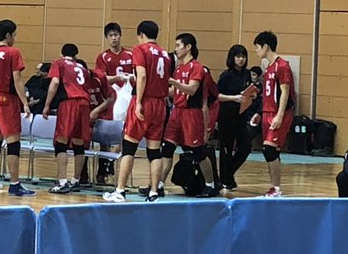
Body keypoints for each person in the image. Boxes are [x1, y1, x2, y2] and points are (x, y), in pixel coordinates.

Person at [103, 20, 171, 203]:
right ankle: (154, 192)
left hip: (145, 101)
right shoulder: (165, 54)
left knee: (129, 148)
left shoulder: (140, 50)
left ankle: (120, 191)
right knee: (154, 152)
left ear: (141, 34)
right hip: (160, 104)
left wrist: (139, 101)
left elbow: (142, 75)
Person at [160, 34, 218, 198]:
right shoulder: (178, 68)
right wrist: (157, 89)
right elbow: (174, 92)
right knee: (167, 148)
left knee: (198, 152)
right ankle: (158, 185)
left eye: (178, 45)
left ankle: (211, 185)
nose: (176, 49)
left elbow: (192, 89)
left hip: (191, 114)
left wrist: (174, 82)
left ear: (188, 47)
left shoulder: (197, 67)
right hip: (176, 113)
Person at [0, 20, 35, 196]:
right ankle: (14, 184)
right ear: (7, 35)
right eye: (14, 35)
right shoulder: (13, 52)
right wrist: (25, 103)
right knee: (13, 142)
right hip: (7, 99)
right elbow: (17, 79)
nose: (15, 39)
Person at [42, 43, 92, 194]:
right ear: (76, 56)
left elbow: (55, 83)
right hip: (84, 104)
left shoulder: (59, 63)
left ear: (62, 53)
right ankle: (76, 181)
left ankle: (62, 182)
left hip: (69, 103)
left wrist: (47, 105)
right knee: (79, 143)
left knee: (61, 143)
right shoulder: (82, 68)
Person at [252, 31, 295, 198]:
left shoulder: (282, 66)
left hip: (278, 113)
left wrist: (280, 115)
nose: (256, 51)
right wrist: (259, 112)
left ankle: (276, 188)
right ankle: (274, 188)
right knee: (272, 151)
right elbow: (268, 94)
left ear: (266, 46)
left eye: (257, 47)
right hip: (267, 112)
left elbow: (285, 92)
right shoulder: (268, 68)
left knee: (269, 150)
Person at [95, 22, 133, 182]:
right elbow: (101, 78)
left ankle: (111, 160)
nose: (114, 38)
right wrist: (117, 78)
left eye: (116, 35)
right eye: (110, 35)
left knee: (127, 133)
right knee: (105, 135)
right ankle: (102, 169)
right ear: (107, 38)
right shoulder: (103, 57)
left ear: (120, 35)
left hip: (128, 97)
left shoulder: (130, 55)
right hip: (111, 98)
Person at [217, 44, 253, 190]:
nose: (241, 59)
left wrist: (251, 94)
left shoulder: (247, 74)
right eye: (238, 56)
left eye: (243, 56)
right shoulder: (226, 75)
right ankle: (226, 179)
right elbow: (217, 96)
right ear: (232, 58)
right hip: (227, 116)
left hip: (242, 116)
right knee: (226, 149)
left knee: (246, 146)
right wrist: (234, 98)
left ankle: (227, 174)